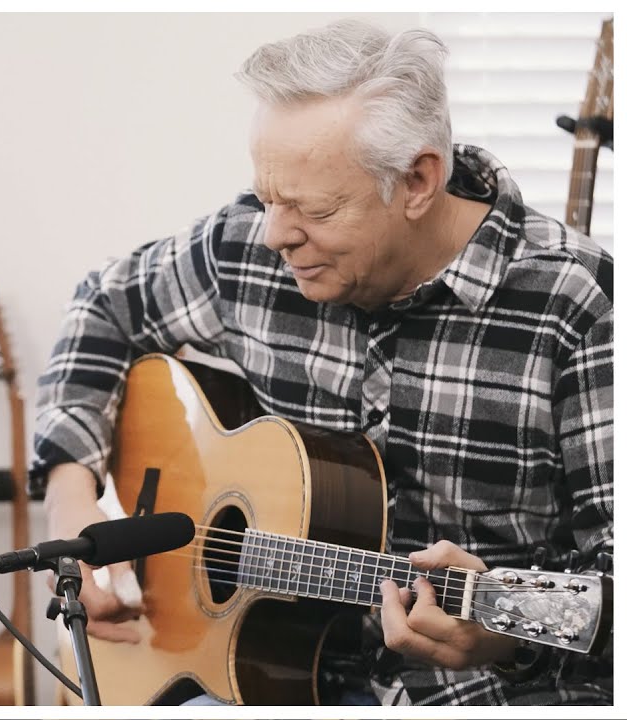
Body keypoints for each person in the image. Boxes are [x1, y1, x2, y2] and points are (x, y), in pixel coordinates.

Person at [31, 20, 612, 706]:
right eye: (269, 196)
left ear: (418, 180)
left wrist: (509, 637)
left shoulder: (579, 304)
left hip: (483, 694)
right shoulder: (247, 247)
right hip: (260, 677)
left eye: (313, 208)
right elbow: (102, 305)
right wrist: (70, 496)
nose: (275, 233)